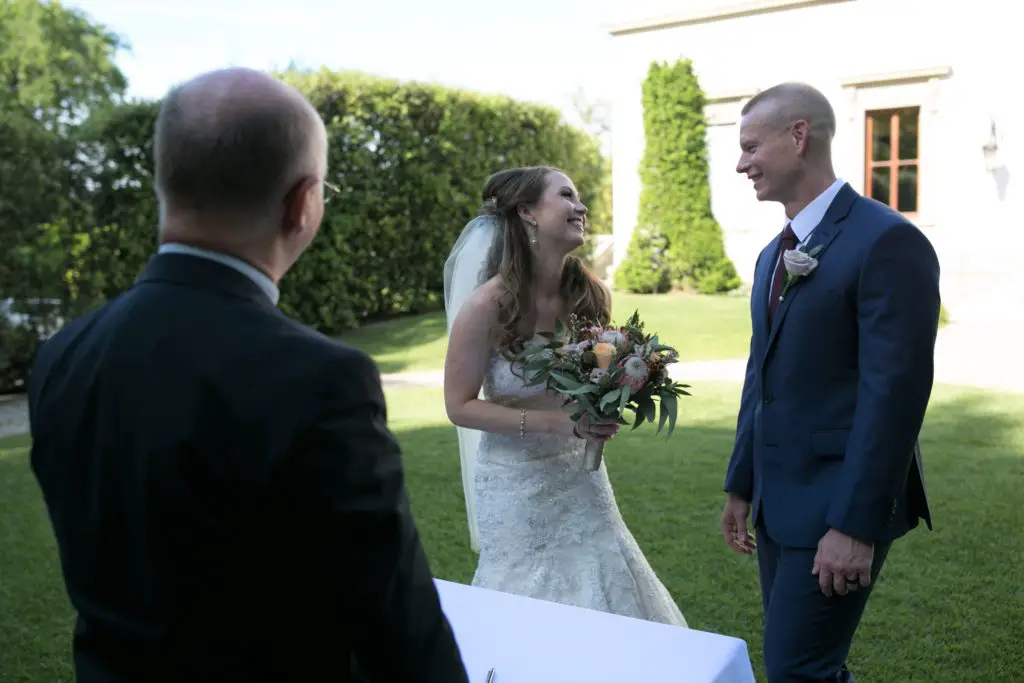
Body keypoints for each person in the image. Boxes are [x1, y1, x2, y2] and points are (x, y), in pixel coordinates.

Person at [28, 67, 469, 683]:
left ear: (164, 183)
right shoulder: (319, 380)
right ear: (301, 204)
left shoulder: (64, 353)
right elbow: (398, 628)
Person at [721, 82, 939, 682]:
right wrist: (741, 483)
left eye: (749, 147)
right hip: (776, 501)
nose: (741, 164)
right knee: (809, 668)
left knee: (797, 669)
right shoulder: (773, 253)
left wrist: (855, 526)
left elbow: (894, 398)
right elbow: (758, 376)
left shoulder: (889, 241)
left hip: (837, 503)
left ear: (799, 136)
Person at [443, 165, 687, 626]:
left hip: (583, 478)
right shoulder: (487, 306)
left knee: (605, 581)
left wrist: (611, 397)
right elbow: (458, 405)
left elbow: (593, 379)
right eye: (567, 196)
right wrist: (557, 422)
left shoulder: (591, 295)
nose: (582, 207)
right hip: (515, 485)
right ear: (528, 213)